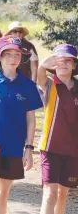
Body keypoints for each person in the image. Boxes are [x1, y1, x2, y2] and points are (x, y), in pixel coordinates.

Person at [0, 36, 43, 214]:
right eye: (8, 54)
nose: (13, 58)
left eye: (17, 54)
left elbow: (31, 119)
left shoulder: (28, 85)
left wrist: (29, 148)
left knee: (3, 193)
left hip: (14, 147)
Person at [37, 44, 78, 214]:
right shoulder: (49, 84)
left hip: (73, 150)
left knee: (62, 195)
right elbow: (40, 70)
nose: (63, 64)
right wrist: (50, 61)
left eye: (68, 61)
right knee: (50, 194)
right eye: (60, 60)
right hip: (50, 148)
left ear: (74, 65)